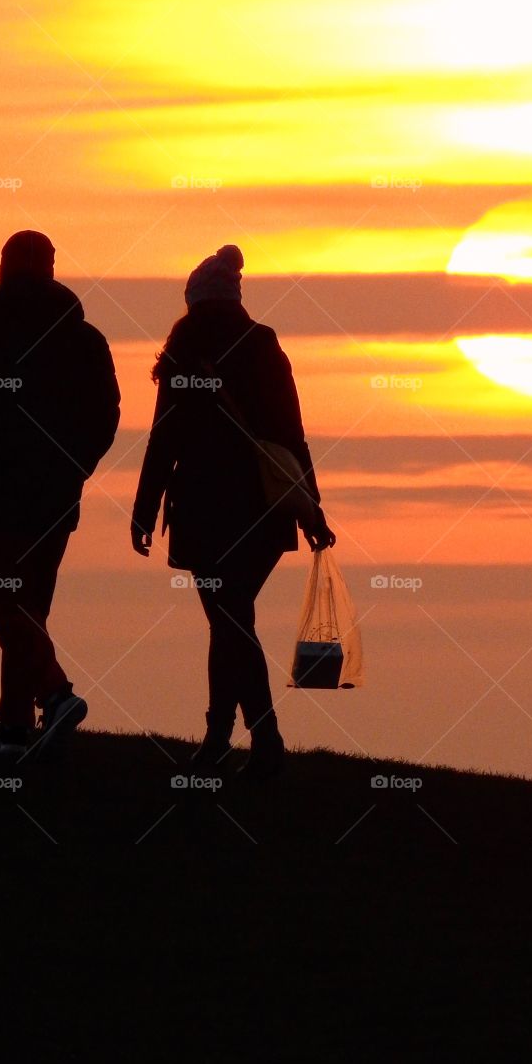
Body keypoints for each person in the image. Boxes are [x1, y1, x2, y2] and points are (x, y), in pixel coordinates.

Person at [131, 243, 335, 781]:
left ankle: (250, 739)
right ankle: (231, 740)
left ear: (194, 302)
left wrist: (143, 510)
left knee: (228, 620)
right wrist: (312, 507)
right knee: (231, 619)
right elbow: (292, 434)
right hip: (264, 509)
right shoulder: (263, 346)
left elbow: (163, 438)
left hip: (202, 508)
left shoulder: (185, 349)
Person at [0, 230, 120, 757]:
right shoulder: (83, 336)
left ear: (4, 266)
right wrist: (75, 469)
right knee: (28, 607)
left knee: (1, 602)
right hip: (53, 495)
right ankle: (15, 727)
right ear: (50, 266)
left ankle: (56, 695)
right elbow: (105, 415)